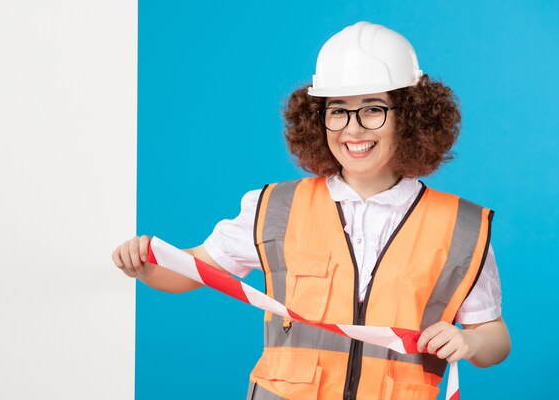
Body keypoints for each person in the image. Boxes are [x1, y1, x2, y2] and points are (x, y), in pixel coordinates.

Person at [112, 21, 511, 400]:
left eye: (373, 109)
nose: (352, 130)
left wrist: (471, 340)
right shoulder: (275, 209)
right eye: (337, 110)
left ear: (409, 118)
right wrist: (144, 263)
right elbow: (191, 269)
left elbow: (493, 335)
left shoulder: (460, 226)